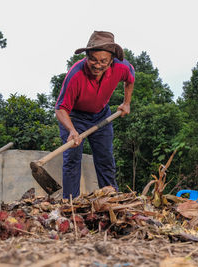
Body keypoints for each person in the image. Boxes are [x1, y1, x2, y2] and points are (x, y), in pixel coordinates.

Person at [55, 31, 135, 199]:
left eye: (103, 61)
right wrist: (71, 130)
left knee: (105, 158)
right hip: (75, 118)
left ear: (111, 60)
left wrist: (126, 102)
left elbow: (131, 78)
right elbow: (60, 108)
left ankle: (111, 200)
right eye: (93, 59)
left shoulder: (121, 67)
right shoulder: (76, 74)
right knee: (72, 160)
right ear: (86, 56)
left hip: (101, 115)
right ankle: (71, 203)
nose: (97, 65)